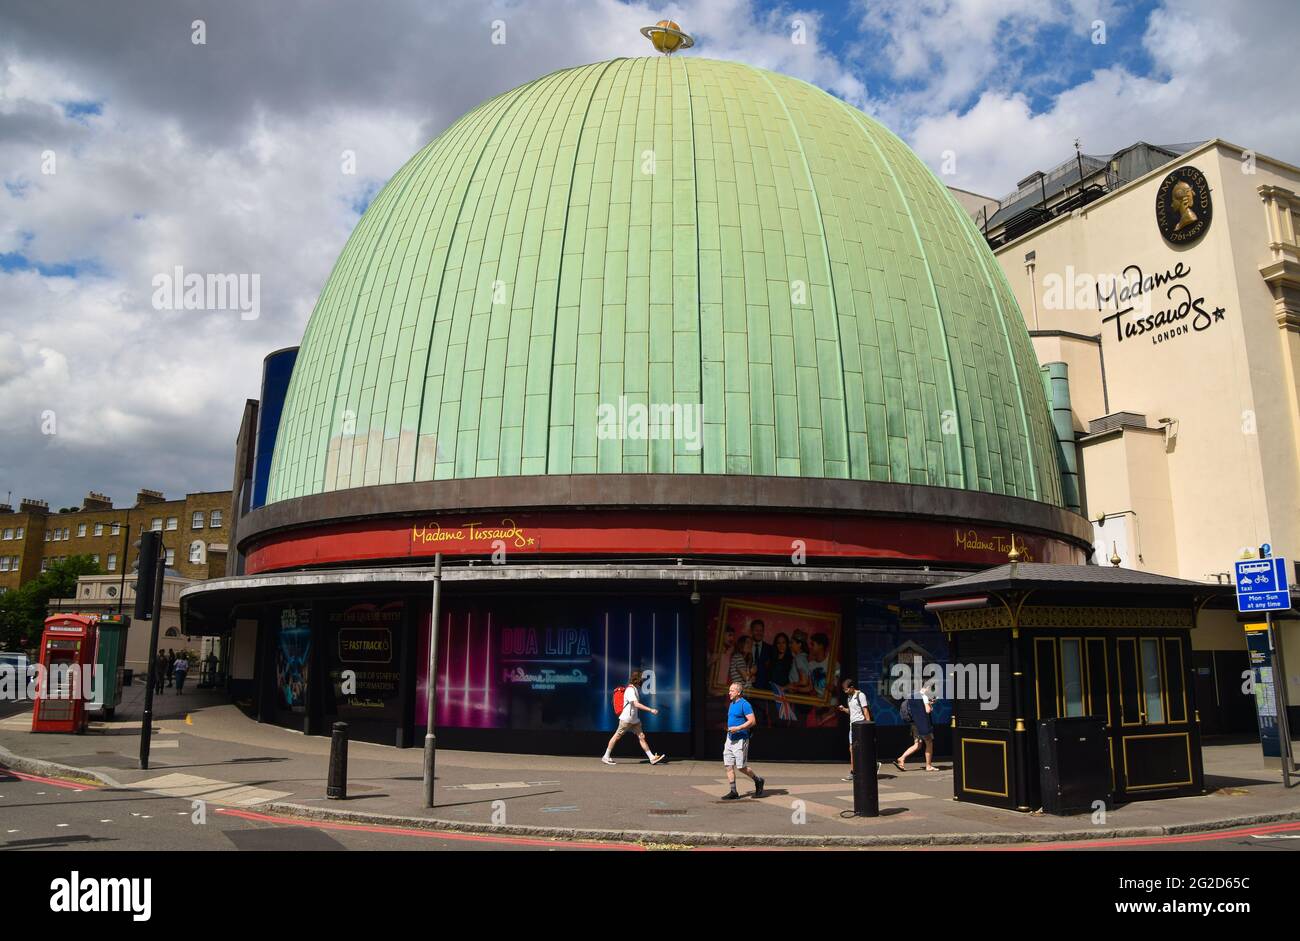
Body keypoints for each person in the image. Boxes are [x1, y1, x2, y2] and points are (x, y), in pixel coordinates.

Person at [601, 670, 665, 765]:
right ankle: (606, 756)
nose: (642, 682)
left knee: (641, 737)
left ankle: (652, 758)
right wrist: (650, 710)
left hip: (634, 720)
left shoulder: (634, 689)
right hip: (626, 719)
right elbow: (636, 704)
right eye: (641, 680)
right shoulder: (630, 690)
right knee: (616, 736)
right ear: (637, 680)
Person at [721, 682, 764, 800]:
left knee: (741, 767)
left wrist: (738, 728)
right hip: (729, 738)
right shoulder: (732, 704)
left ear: (739, 692)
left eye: (732, 691)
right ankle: (733, 791)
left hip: (740, 740)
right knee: (728, 765)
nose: (729, 693)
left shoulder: (745, 704)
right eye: (729, 690)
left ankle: (758, 780)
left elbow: (752, 721)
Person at [894, 682, 937, 771]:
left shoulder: (913, 695)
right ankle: (928, 766)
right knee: (929, 742)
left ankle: (901, 758)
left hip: (914, 723)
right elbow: (927, 710)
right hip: (922, 724)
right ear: (927, 687)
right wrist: (930, 704)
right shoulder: (924, 696)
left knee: (917, 744)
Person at [837, 677, 872, 781]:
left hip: (861, 726)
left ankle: (869, 767)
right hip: (853, 727)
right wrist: (844, 709)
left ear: (852, 687)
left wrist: (867, 725)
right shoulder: (849, 697)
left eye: (846, 689)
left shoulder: (860, 695)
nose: (845, 692)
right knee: (852, 749)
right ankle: (854, 772)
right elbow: (852, 712)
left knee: (862, 749)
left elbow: (865, 711)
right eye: (844, 690)